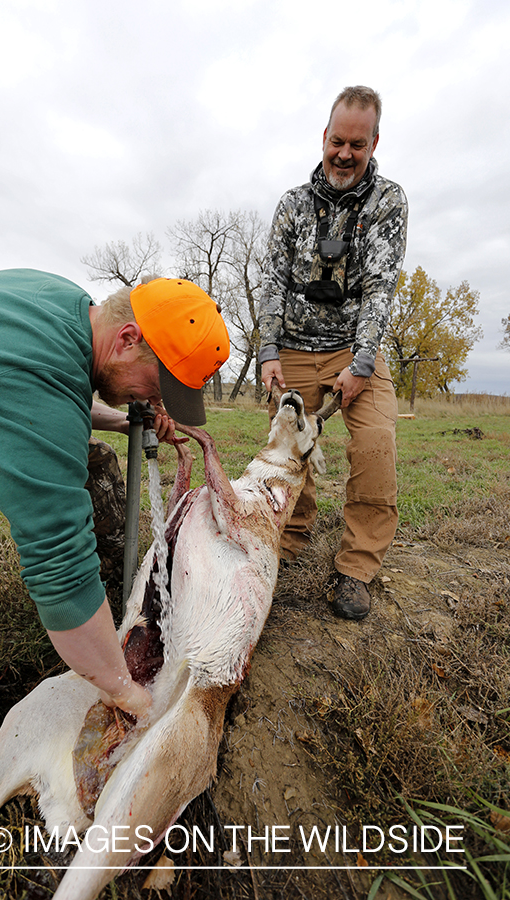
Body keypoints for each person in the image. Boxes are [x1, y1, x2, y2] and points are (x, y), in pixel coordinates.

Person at [0, 269, 229, 714]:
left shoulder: (71, 309)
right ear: (127, 339)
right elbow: (56, 561)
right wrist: (121, 689)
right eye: (157, 387)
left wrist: (121, 419)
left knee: (94, 461)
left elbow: (52, 393)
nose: (157, 403)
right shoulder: (31, 371)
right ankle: (92, 639)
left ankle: (118, 613)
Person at [258, 85, 408, 621]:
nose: (345, 154)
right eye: (337, 142)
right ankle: (285, 542)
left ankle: (355, 568)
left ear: (373, 143)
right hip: (294, 347)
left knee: (374, 444)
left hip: (354, 346)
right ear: (324, 137)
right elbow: (273, 279)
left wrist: (363, 362)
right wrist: (268, 350)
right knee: (284, 450)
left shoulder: (387, 202)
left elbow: (380, 288)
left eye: (358, 145)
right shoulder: (292, 205)